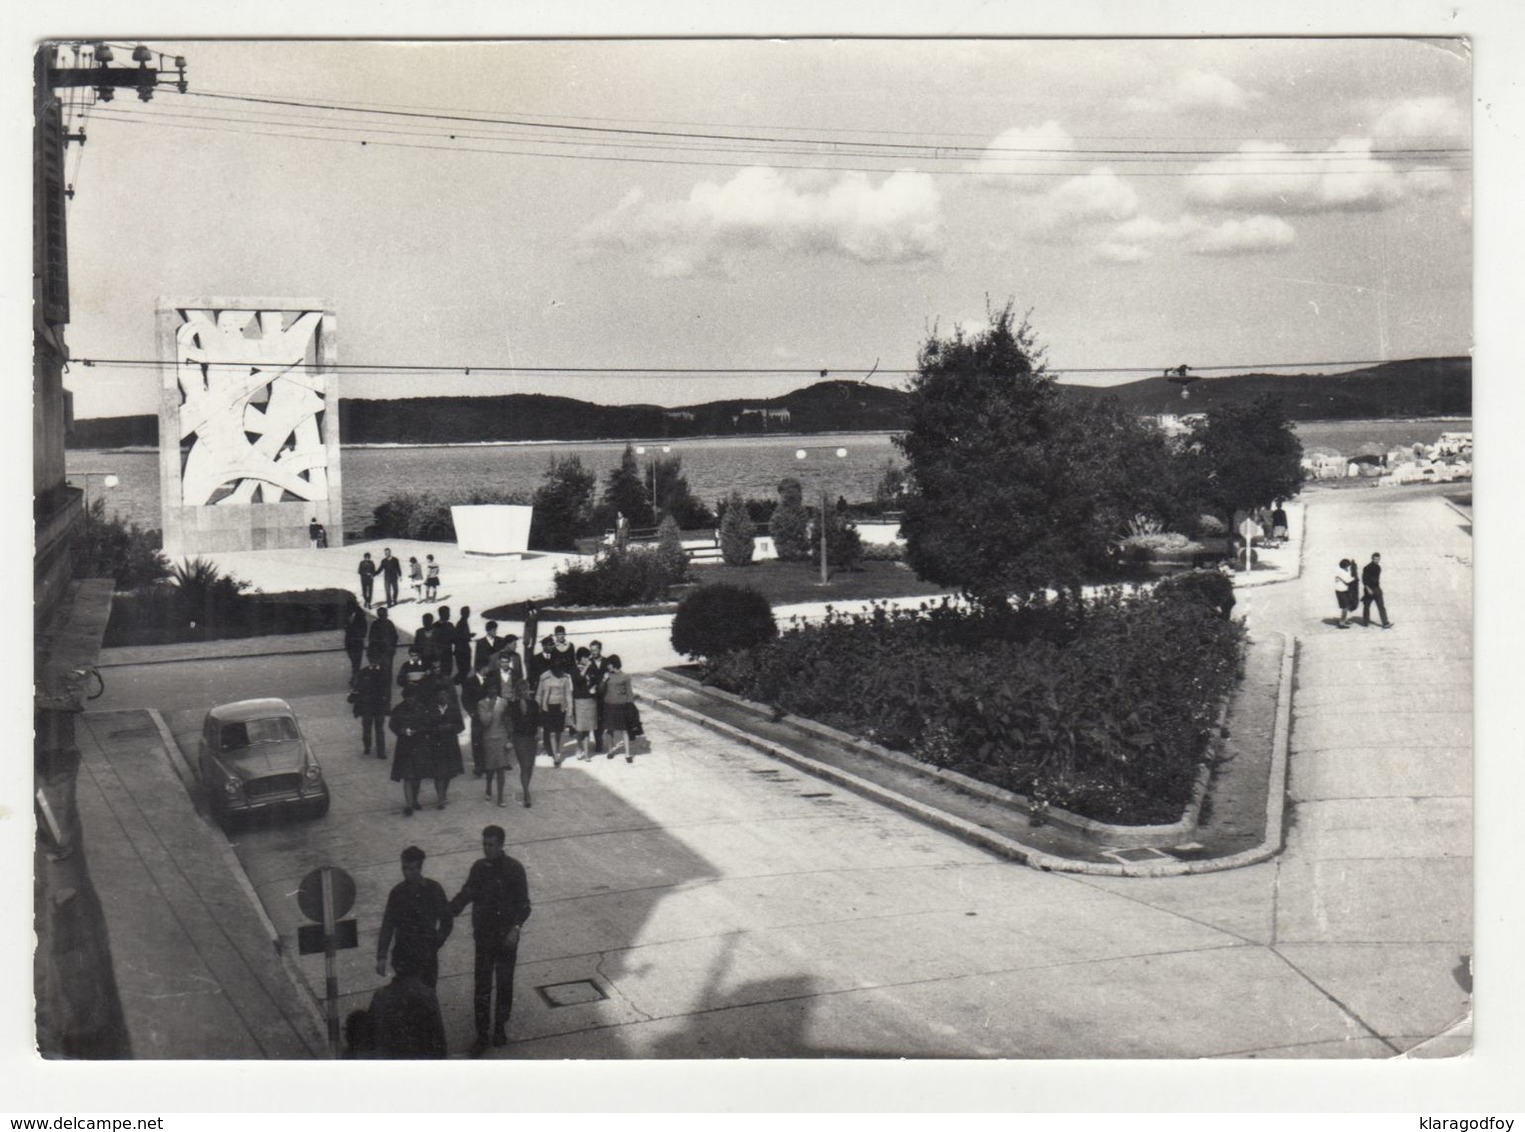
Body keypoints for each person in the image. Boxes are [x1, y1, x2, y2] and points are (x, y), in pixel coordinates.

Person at [447, 825, 532, 1056]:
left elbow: (524, 905)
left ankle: (500, 1028)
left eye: (491, 845)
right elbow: (466, 894)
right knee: (482, 987)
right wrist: (447, 910)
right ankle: (482, 1035)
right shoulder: (479, 868)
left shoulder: (515, 869)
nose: (487, 849)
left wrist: (516, 928)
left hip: (505, 939)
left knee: (504, 985)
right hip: (484, 938)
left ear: (501, 845)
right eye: (484, 844)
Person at [375, 846, 453, 989]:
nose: (406, 873)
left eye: (411, 869)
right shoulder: (397, 893)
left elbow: (447, 920)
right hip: (403, 956)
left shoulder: (434, 890)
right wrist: (382, 956)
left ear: (420, 868)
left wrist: (437, 941)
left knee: (427, 998)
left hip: (426, 956)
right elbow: (388, 925)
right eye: (404, 868)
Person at [366, 950, 447, 1059]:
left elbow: (369, 1038)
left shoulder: (380, 996)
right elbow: (439, 1041)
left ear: (394, 966)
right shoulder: (427, 995)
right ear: (420, 967)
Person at [389, 687, 432, 816]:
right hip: (404, 745)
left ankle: (415, 800)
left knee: (417, 775)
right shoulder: (399, 709)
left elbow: (427, 724)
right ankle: (408, 804)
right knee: (407, 775)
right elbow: (393, 725)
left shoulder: (421, 708)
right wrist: (400, 731)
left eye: (412, 697)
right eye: (408, 697)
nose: (410, 699)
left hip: (419, 743)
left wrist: (418, 730)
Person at [425, 684, 466, 810]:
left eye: (444, 694)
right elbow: (426, 726)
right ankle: (440, 797)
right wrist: (435, 729)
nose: (442, 697)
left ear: (448, 696)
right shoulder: (431, 709)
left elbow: (461, 726)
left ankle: (443, 793)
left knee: (448, 772)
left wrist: (451, 727)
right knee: (439, 773)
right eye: (440, 695)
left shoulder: (453, 709)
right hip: (436, 744)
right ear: (436, 696)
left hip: (450, 743)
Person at [460, 659, 500, 778]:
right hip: (476, 715)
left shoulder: (490, 680)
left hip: (489, 714)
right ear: (482, 668)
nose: (488, 669)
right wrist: (472, 712)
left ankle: (489, 765)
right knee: (477, 740)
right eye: (487, 667)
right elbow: (465, 699)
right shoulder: (470, 681)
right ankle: (479, 766)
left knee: (489, 739)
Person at [506, 672, 540, 807]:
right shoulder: (512, 705)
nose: (523, 692)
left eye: (525, 689)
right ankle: (526, 793)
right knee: (525, 764)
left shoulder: (534, 704)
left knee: (530, 766)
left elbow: (538, 721)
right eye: (520, 690)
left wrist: (539, 733)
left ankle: (526, 787)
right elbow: (510, 723)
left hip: (532, 737)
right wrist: (510, 738)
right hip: (519, 737)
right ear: (517, 691)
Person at [353, 648, 392, 760]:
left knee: (379, 729)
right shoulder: (363, 672)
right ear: (369, 659)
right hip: (367, 706)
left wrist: (387, 704)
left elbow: (387, 690)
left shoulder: (384, 672)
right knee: (367, 728)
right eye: (372, 658)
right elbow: (358, 689)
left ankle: (381, 751)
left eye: (376, 658)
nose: (374, 660)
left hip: (379, 705)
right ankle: (367, 746)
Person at [536, 659, 572, 766]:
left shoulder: (565, 678)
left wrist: (570, 708)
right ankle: (556, 756)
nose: (559, 672)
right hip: (548, 707)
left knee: (559, 732)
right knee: (551, 732)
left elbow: (568, 694)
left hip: (560, 707)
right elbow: (539, 694)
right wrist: (538, 707)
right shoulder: (544, 677)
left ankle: (557, 750)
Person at [601, 654, 636, 761]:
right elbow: (600, 691)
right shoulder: (607, 676)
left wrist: (631, 707)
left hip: (622, 706)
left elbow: (630, 693)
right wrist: (603, 681)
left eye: (609, 664)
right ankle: (610, 751)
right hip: (609, 706)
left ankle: (627, 754)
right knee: (609, 729)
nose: (608, 666)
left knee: (624, 730)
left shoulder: (625, 677)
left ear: (614, 664)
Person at [569, 647, 601, 762]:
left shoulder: (592, 668)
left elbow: (597, 680)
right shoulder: (574, 669)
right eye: (585, 657)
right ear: (580, 658)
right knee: (580, 729)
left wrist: (594, 687)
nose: (588, 659)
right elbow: (578, 679)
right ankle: (579, 746)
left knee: (588, 728)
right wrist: (587, 666)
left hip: (590, 700)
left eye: (588, 657)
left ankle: (587, 754)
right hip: (579, 701)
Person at [1361, 552, 1393, 628]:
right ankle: (1366, 622)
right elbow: (1364, 579)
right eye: (1375, 559)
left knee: (1380, 606)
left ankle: (1385, 622)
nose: (1377, 560)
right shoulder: (1367, 567)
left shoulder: (1378, 567)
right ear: (1372, 558)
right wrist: (1368, 589)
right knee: (1367, 606)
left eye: (1378, 559)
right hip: (1369, 589)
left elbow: (1376, 579)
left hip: (1377, 589)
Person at [367, 606, 399, 677]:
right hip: (381, 652)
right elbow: (372, 638)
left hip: (386, 651)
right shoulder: (379, 624)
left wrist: (392, 647)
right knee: (384, 671)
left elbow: (395, 636)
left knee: (385, 670)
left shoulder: (379, 624)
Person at [343, 606, 369, 680]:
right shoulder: (349, 617)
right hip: (351, 643)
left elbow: (363, 630)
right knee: (355, 661)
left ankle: (355, 677)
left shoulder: (360, 618)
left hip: (356, 642)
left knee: (356, 662)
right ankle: (355, 676)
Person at [1334, 558, 1359, 629]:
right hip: (1341, 592)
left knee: (1346, 606)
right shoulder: (1342, 573)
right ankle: (1342, 623)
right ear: (1345, 566)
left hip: (1342, 591)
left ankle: (1344, 619)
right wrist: (1355, 578)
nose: (1349, 568)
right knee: (1345, 607)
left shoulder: (1341, 571)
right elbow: (1348, 581)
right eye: (1348, 566)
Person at [433, 607, 456, 681]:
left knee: (448, 674)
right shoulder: (435, 626)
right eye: (448, 613)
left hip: (448, 655)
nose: (449, 615)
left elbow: (454, 638)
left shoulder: (450, 625)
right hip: (439, 656)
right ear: (442, 614)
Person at [453, 606, 474, 682]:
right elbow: (459, 637)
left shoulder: (463, 622)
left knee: (465, 669)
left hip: (463, 649)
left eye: (468, 612)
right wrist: (469, 636)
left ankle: (460, 681)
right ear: (462, 613)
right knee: (464, 669)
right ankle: (457, 681)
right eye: (466, 612)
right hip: (462, 650)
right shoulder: (461, 623)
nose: (468, 614)